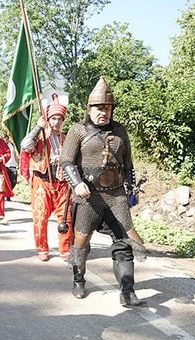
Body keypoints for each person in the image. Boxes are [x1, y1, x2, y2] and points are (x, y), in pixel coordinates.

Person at [60, 77, 146, 306]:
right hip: (88, 195)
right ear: (89, 108)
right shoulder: (77, 131)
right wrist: (77, 183)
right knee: (81, 241)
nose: (103, 112)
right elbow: (66, 161)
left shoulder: (120, 131)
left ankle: (128, 292)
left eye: (107, 108)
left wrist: (131, 188)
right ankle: (78, 280)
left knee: (124, 242)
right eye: (98, 108)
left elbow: (128, 165)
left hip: (116, 195)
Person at [21, 92, 72, 262]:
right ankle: (42, 248)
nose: (56, 122)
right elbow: (25, 145)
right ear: (48, 120)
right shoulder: (40, 136)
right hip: (42, 182)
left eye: (59, 118)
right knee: (41, 217)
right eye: (53, 118)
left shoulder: (67, 138)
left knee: (65, 217)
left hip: (63, 183)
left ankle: (65, 249)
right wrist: (38, 127)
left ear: (63, 120)